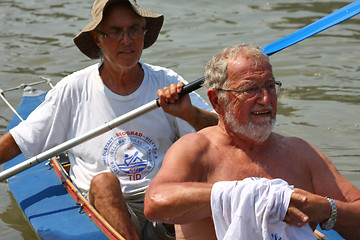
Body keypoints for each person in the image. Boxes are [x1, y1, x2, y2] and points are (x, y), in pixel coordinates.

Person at [0, 0, 218, 239]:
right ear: (97, 38)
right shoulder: (74, 89)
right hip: (112, 206)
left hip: (162, 199)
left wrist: (190, 113)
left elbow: (223, 135)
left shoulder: (167, 81)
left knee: (194, 174)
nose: (127, 40)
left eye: (135, 29)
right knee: (104, 182)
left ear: (144, 33)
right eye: (115, 31)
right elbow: (19, 141)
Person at [144, 43, 360, 240]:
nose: (266, 99)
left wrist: (325, 209)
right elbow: (156, 203)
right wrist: (258, 197)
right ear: (216, 100)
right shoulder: (195, 148)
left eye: (270, 86)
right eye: (250, 89)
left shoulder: (299, 152)